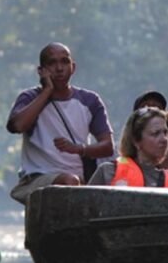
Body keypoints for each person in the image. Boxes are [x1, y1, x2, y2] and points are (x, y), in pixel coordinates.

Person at [7, 42, 114, 204]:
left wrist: (79, 149)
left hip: (78, 181)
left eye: (64, 61)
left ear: (73, 67)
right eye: (52, 63)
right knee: (69, 181)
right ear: (41, 71)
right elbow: (17, 126)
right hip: (38, 179)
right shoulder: (29, 98)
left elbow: (107, 146)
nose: (59, 68)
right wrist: (47, 91)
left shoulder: (90, 100)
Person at [88, 107, 168, 188]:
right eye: (155, 133)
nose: (164, 139)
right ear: (136, 141)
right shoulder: (107, 172)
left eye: (165, 133)